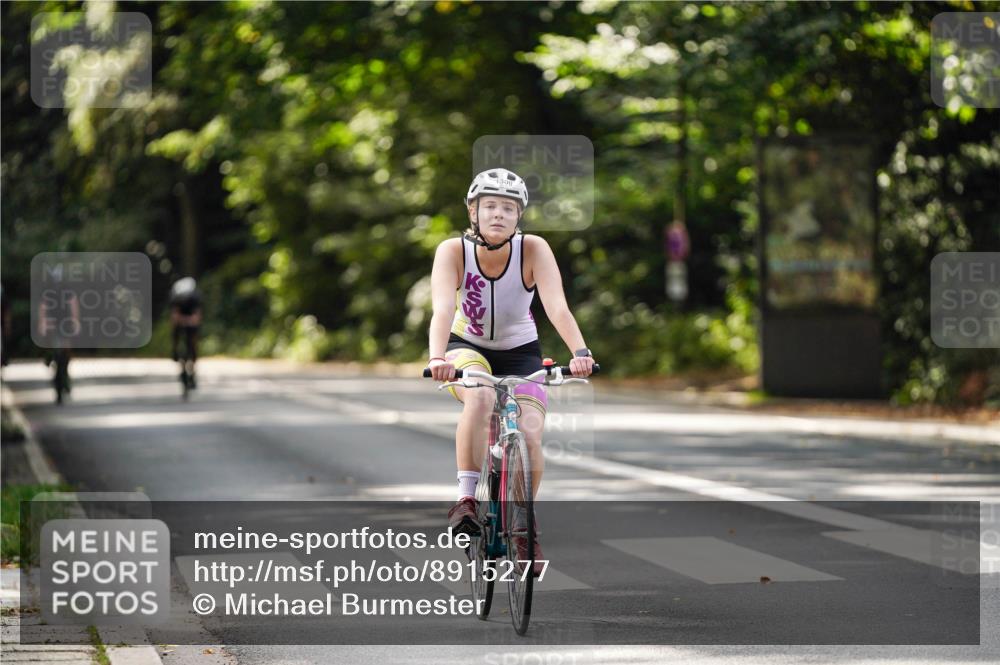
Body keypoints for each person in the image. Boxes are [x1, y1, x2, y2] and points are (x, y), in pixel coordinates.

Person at [427, 167, 596, 575]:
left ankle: (524, 527)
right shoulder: (453, 251)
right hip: (466, 349)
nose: (498, 215)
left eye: (508, 208)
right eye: (490, 207)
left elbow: (557, 307)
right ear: (473, 212)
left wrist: (580, 351)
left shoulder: (534, 249)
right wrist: (437, 359)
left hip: (522, 351)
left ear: (519, 216)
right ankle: (466, 500)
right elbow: (443, 309)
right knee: (482, 397)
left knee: (532, 430)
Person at [169, 276, 202, 387]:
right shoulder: (175, 298)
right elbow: (174, 316)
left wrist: (189, 321)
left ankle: (192, 371)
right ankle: (176, 352)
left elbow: (196, 317)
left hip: (191, 322)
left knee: (193, 343)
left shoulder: (194, 298)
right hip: (181, 321)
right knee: (176, 335)